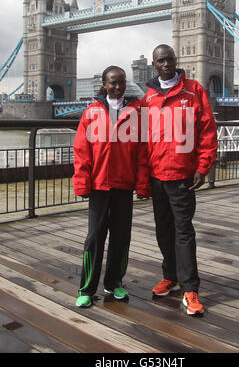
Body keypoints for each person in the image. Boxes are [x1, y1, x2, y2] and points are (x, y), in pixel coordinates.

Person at [142, 44, 217, 315]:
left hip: (183, 174)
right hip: (156, 175)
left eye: (169, 59)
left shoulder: (194, 90)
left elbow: (208, 130)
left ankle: (190, 289)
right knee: (163, 230)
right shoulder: (148, 96)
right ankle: (170, 277)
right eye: (160, 61)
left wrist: (203, 166)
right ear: (154, 65)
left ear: (176, 61)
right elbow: (140, 138)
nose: (166, 64)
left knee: (183, 231)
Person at [72, 66, 150, 308]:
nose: (118, 87)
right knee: (94, 237)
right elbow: (81, 151)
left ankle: (114, 282)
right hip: (98, 186)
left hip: (123, 186)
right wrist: (82, 182)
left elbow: (143, 152)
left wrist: (143, 183)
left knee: (121, 237)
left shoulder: (138, 113)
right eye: (113, 83)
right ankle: (86, 288)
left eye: (122, 82)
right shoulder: (91, 113)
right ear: (104, 85)